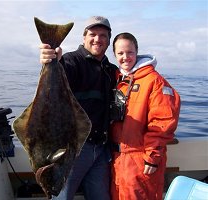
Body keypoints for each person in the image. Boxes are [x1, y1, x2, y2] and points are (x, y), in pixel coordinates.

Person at [39, 16, 118, 200]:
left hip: (101, 149)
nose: (97, 39)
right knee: (61, 196)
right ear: (84, 38)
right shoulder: (71, 61)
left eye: (103, 35)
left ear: (108, 41)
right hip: (73, 151)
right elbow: (56, 78)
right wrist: (49, 61)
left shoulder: (111, 69)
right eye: (93, 34)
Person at [109, 32, 181, 200]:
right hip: (116, 159)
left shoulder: (155, 81)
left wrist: (152, 157)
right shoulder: (117, 79)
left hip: (140, 161)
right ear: (114, 55)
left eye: (130, 52)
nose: (125, 57)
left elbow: (163, 121)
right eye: (120, 53)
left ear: (137, 51)